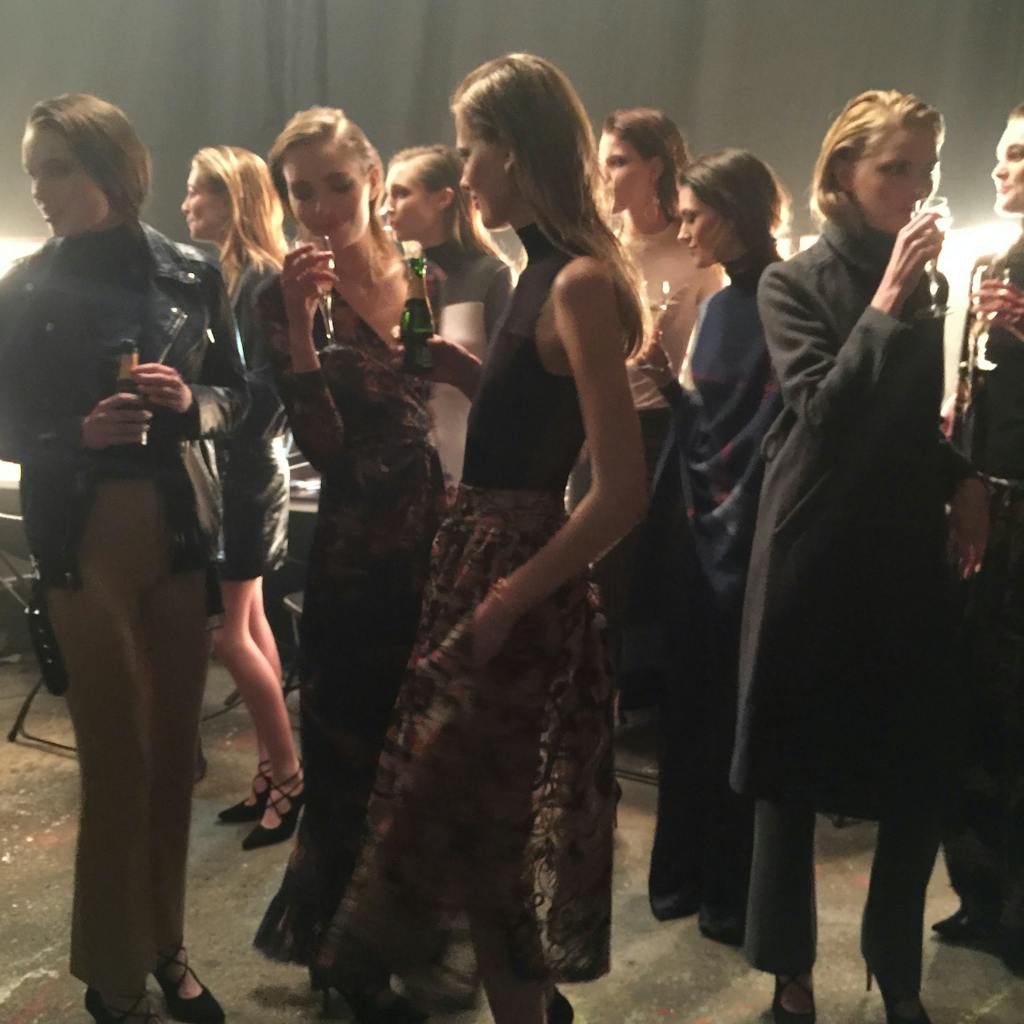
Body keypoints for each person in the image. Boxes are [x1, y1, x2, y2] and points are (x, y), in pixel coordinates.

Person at [319, 53, 648, 1024]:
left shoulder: (577, 282)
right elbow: (536, 422)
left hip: (518, 580)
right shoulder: (538, 273)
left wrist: (509, 598)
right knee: (476, 830)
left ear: (517, 150)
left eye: (470, 151)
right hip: (483, 565)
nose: (463, 175)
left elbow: (621, 492)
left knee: (481, 828)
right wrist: (471, 379)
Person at [731, 89, 988, 1024]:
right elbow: (824, 411)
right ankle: (788, 976)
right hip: (814, 543)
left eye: (928, 169)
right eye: (895, 168)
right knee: (789, 773)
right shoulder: (790, 281)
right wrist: (885, 302)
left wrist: (961, 474)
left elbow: (907, 423)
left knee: (915, 771)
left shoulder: (929, 280)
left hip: (901, 547)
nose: (916, 188)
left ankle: (897, 972)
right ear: (844, 170)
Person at [0, 93, 247, 1024]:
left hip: (177, 530)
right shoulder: (24, 288)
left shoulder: (192, 271)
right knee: (118, 759)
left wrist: (193, 403)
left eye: (56, 168)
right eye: (33, 170)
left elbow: (241, 394)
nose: (40, 187)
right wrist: (76, 432)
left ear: (112, 167)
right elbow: (4, 420)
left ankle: (167, 946)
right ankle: (114, 969)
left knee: (175, 757)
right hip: (81, 539)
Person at [252, 107, 446, 977]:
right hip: (354, 546)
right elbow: (323, 446)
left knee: (421, 753)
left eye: (337, 184)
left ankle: (406, 932)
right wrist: (300, 325)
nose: (322, 208)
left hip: (432, 531)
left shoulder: (421, 269)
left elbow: (429, 394)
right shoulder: (283, 294)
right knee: (349, 757)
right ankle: (346, 958)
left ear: (372, 178)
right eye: (302, 193)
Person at [633, 149, 785, 943]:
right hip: (698, 535)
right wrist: (669, 386)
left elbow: (780, 432)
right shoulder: (722, 304)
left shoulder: (787, 297)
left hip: (756, 540)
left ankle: (727, 886)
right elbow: (714, 426)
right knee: (687, 708)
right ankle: (684, 871)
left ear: (732, 212)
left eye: (693, 215)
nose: (684, 228)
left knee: (735, 719)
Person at [181, 145, 302, 849]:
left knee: (229, 634)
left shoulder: (259, 280)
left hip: (245, 473)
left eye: (199, 191)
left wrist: (189, 400)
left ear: (233, 199)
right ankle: (270, 772)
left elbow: (262, 394)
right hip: (237, 469)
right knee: (250, 626)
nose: (187, 204)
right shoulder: (231, 277)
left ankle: (288, 774)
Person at [588, 108, 721, 698]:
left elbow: (710, 357)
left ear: (656, 167)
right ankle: (592, 699)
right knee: (592, 572)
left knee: (640, 576)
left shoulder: (694, 252)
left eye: (618, 162)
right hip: (594, 425)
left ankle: (633, 702)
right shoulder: (599, 247)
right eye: (602, 162)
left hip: (661, 428)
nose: (605, 176)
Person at [940, 100, 1024, 972]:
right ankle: (980, 892)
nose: (1002, 168)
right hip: (984, 504)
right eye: (1004, 153)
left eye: (1020, 155)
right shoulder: (992, 262)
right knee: (971, 705)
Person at [383, 144, 514, 494]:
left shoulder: (490, 274)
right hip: (401, 470)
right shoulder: (390, 279)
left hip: (472, 460)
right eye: (386, 195)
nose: (387, 207)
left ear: (442, 198)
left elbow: (509, 384)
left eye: (401, 193)